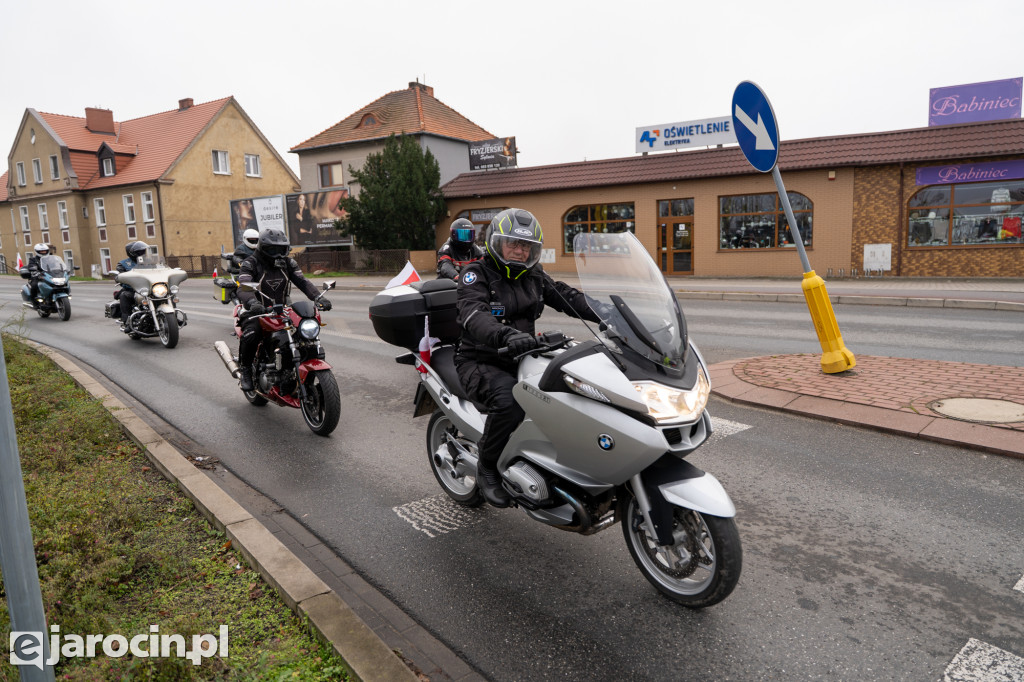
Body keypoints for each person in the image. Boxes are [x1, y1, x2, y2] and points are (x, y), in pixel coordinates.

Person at [455, 208, 600, 507]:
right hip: (481, 359)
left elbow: (565, 296)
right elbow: (474, 314)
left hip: (524, 355)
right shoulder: (475, 274)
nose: (520, 251)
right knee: (509, 402)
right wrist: (506, 336)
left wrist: (606, 313)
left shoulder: (532, 275)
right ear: (497, 242)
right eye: (514, 244)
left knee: (571, 391)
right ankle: (487, 467)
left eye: (527, 247)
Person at [235, 228, 332, 391]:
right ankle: (245, 370)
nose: (278, 254)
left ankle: (295, 368)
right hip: (256, 310)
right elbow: (243, 287)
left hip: (281, 310)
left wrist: (318, 297)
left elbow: (302, 282)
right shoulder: (250, 263)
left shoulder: (288, 263)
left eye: (281, 249)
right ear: (263, 249)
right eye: (273, 249)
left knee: (303, 333)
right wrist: (252, 302)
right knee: (252, 334)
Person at [116, 241, 150, 328]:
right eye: (140, 252)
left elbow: (162, 270)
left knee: (168, 294)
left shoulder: (150, 262)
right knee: (124, 295)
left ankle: (174, 317)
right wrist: (119, 277)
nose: (143, 253)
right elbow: (120, 276)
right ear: (132, 253)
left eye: (143, 251)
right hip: (134, 290)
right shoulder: (123, 264)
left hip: (150, 289)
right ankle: (127, 322)